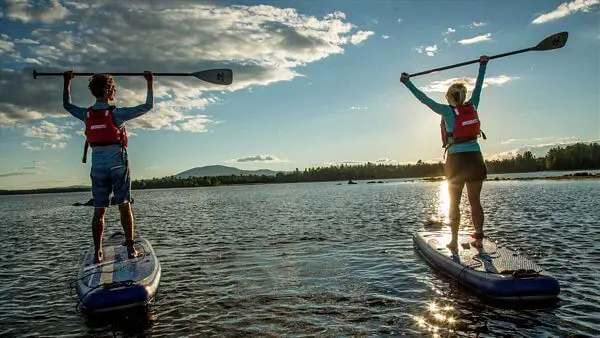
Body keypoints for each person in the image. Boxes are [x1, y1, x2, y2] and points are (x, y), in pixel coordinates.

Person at [63, 70, 154, 264]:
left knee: (99, 211)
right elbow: (148, 106)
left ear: (94, 92)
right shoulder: (117, 114)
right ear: (109, 91)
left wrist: (66, 82)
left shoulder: (86, 114)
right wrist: (150, 82)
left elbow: (67, 105)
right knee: (124, 206)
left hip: (98, 169)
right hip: (118, 166)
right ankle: (130, 250)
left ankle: (97, 253)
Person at [400, 56, 490, 250]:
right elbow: (479, 86)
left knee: (454, 202)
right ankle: (480, 239)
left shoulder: (445, 111)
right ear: (463, 97)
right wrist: (483, 65)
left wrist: (408, 83)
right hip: (474, 157)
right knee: (475, 201)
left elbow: (423, 99)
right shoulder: (473, 105)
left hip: (456, 160)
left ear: (449, 97)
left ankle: (454, 241)